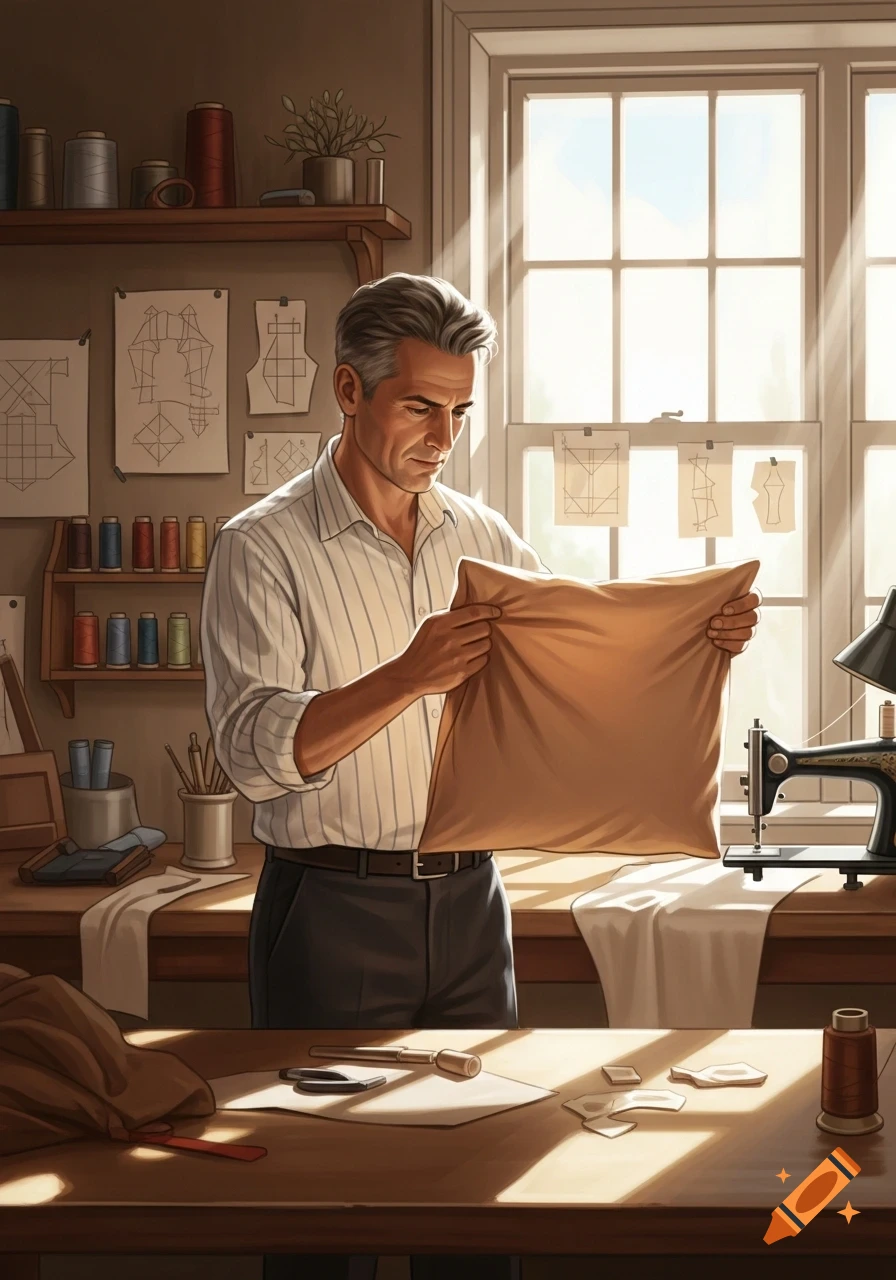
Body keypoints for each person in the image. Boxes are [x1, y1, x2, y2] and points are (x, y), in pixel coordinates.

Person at [200, 274, 760, 1280]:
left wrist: (699, 642)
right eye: (419, 404)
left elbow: (576, 679)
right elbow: (250, 751)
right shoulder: (260, 546)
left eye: (458, 410)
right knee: (324, 1211)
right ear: (347, 388)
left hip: (471, 907)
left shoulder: (485, 540)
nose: (441, 434)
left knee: (481, 1201)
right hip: (329, 910)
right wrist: (406, 675)